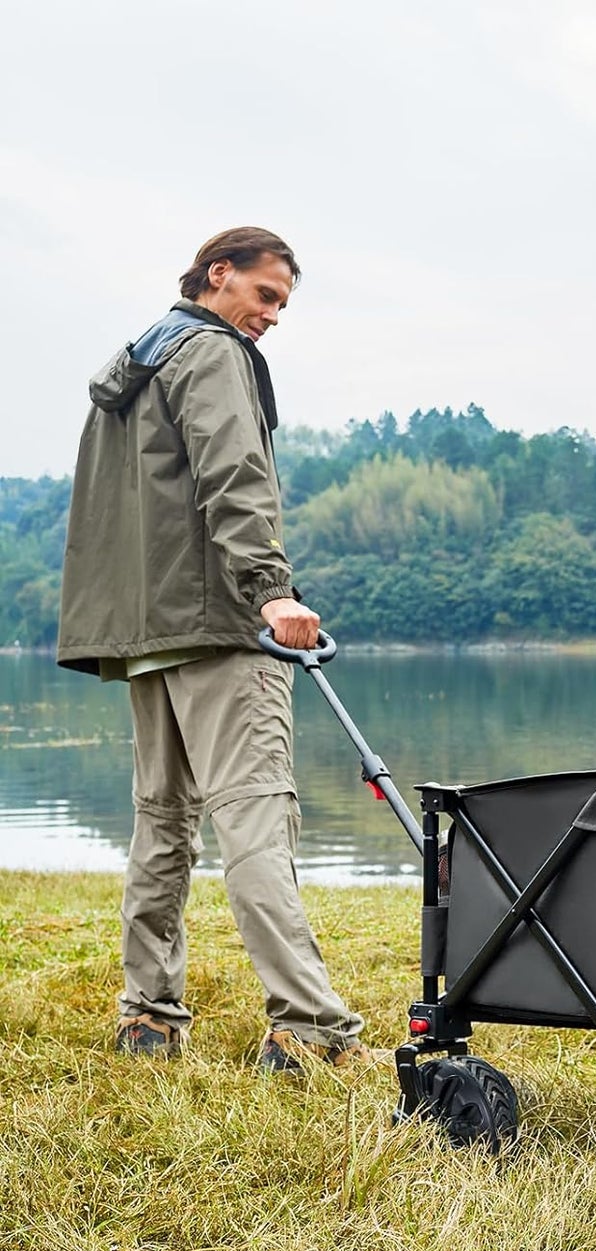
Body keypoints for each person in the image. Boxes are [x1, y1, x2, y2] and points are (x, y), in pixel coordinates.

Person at [56, 226, 367, 1070]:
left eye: (281, 305)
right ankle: (309, 1028)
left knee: (162, 826)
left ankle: (147, 1018)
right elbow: (234, 473)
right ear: (218, 274)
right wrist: (272, 587)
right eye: (265, 295)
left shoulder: (134, 371)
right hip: (218, 624)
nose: (271, 316)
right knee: (258, 814)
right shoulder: (210, 354)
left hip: (150, 634)